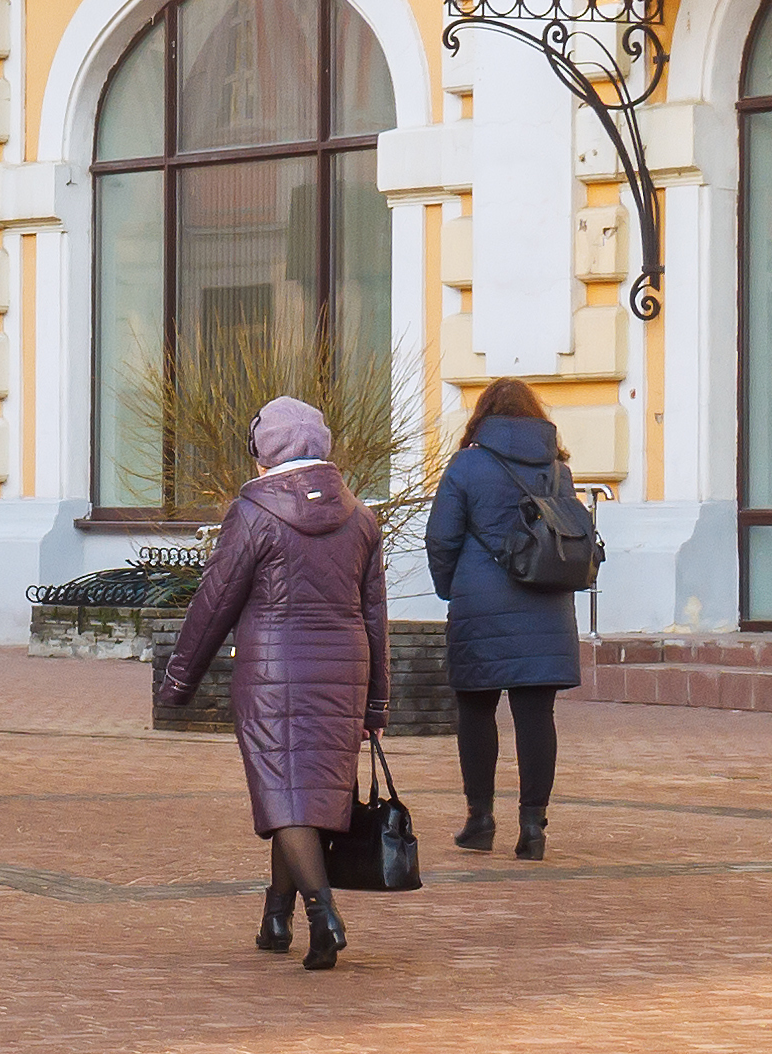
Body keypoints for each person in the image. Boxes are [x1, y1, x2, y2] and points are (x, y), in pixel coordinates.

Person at [154, 396, 388, 971]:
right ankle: (276, 915)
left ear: (265, 453)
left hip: (273, 672)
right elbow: (375, 614)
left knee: (285, 793)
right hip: (343, 670)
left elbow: (215, 602)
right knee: (307, 792)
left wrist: (178, 681)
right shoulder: (360, 515)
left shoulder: (253, 513)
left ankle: (323, 914)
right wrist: (377, 699)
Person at [422, 376, 584, 860]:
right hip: (547, 604)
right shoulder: (558, 470)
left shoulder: (468, 464)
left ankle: (480, 820)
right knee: (537, 717)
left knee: (475, 711)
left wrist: (452, 588)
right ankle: (533, 827)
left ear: (484, 416)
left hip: (481, 605)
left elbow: (441, 538)